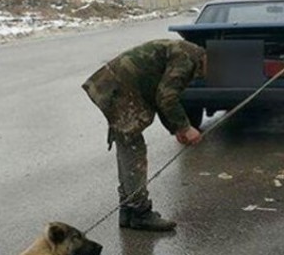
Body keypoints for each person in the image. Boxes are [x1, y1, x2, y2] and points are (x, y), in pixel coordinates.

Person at [82, 39, 206, 232]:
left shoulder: (187, 52)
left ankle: (129, 210)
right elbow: (166, 97)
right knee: (133, 149)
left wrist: (177, 129)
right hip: (118, 88)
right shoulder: (187, 59)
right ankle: (140, 213)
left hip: (114, 85)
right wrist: (185, 128)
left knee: (128, 145)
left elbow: (160, 96)